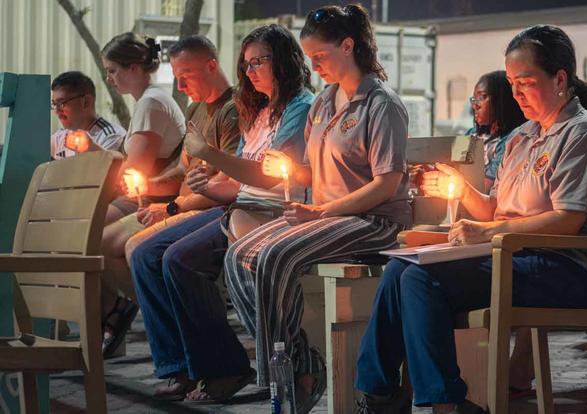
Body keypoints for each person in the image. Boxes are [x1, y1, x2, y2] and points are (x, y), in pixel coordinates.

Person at [355, 24, 587, 414]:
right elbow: (498, 208)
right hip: (512, 256)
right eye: (511, 83)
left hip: (562, 267)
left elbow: (567, 220)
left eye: (525, 82)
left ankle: (447, 403)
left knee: (421, 279)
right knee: (399, 269)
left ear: (560, 78)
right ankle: (378, 394)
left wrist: (489, 231)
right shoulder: (522, 136)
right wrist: (462, 190)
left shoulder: (583, 134)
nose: (516, 94)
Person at [223, 5, 411, 413]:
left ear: (349, 45)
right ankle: (299, 361)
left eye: (321, 56)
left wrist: (323, 213)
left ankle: (281, 380)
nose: (315, 65)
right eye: (310, 57)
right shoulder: (324, 102)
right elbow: (315, 172)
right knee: (238, 255)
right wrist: (290, 170)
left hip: (373, 221)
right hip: (327, 218)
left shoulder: (380, 104)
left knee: (274, 255)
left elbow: (387, 183)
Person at [129, 24, 314, 402]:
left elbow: (267, 177)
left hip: (272, 212)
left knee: (180, 259)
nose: (250, 71)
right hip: (240, 204)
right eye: (246, 64)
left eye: (258, 61)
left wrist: (210, 157)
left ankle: (226, 368)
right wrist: (206, 185)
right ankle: (179, 365)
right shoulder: (259, 112)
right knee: (147, 253)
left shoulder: (301, 107)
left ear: (283, 59)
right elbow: (237, 182)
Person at [98, 35, 241, 358]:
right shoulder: (195, 109)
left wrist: (171, 206)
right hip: (177, 204)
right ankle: (157, 319)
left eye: (186, 74)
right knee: (102, 242)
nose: (180, 83)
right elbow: (181, 169)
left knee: (139, 249)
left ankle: (174, 334)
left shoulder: (232, 111)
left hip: (205, 209)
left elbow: (228, 182)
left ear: (212, 65)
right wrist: (147, 186)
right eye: (176, 76)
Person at [96, 32, 186, 357]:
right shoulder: (147, 102)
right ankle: (115, 310)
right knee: (84, 235)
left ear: (134, 67)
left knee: (91, 239)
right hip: (143, 195)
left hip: (154, 199)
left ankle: (137, 306)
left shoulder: (151, 102)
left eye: (113, 70)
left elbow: (137, 171)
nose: (109, 78)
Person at [466, 70, 526, 192]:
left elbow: (485, 188)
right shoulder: (471, 133)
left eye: (481, 97)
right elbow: (452, 164)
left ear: (502, 101)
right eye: (474, 99)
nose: (475, 105)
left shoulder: (512, 140)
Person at [50, 71, 125, 160]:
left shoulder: (111, 136)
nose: (57, 111)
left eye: (61, 103)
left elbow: (105, 170)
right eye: (54, 104)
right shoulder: (59, 138)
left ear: (86, 102)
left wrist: (91, 148)